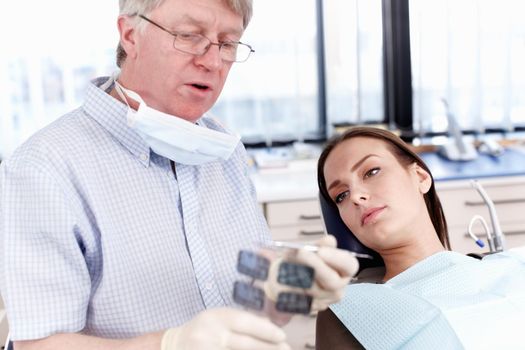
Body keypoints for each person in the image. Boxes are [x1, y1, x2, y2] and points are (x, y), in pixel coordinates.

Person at [0, 1, 359, 349]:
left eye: (228, 43)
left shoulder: (223, 151)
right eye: (189, 35)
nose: (213, 61)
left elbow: (247, 298)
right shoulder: (44, 168)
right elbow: (39, 345)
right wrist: (168, 344)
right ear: (130, 35)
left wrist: (291, 284)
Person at [314, 127, 525, 349]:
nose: (355, 196)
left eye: (371, 172)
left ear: (421, 177)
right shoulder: (348, 312)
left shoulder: (511, 267)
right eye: (341, 195)